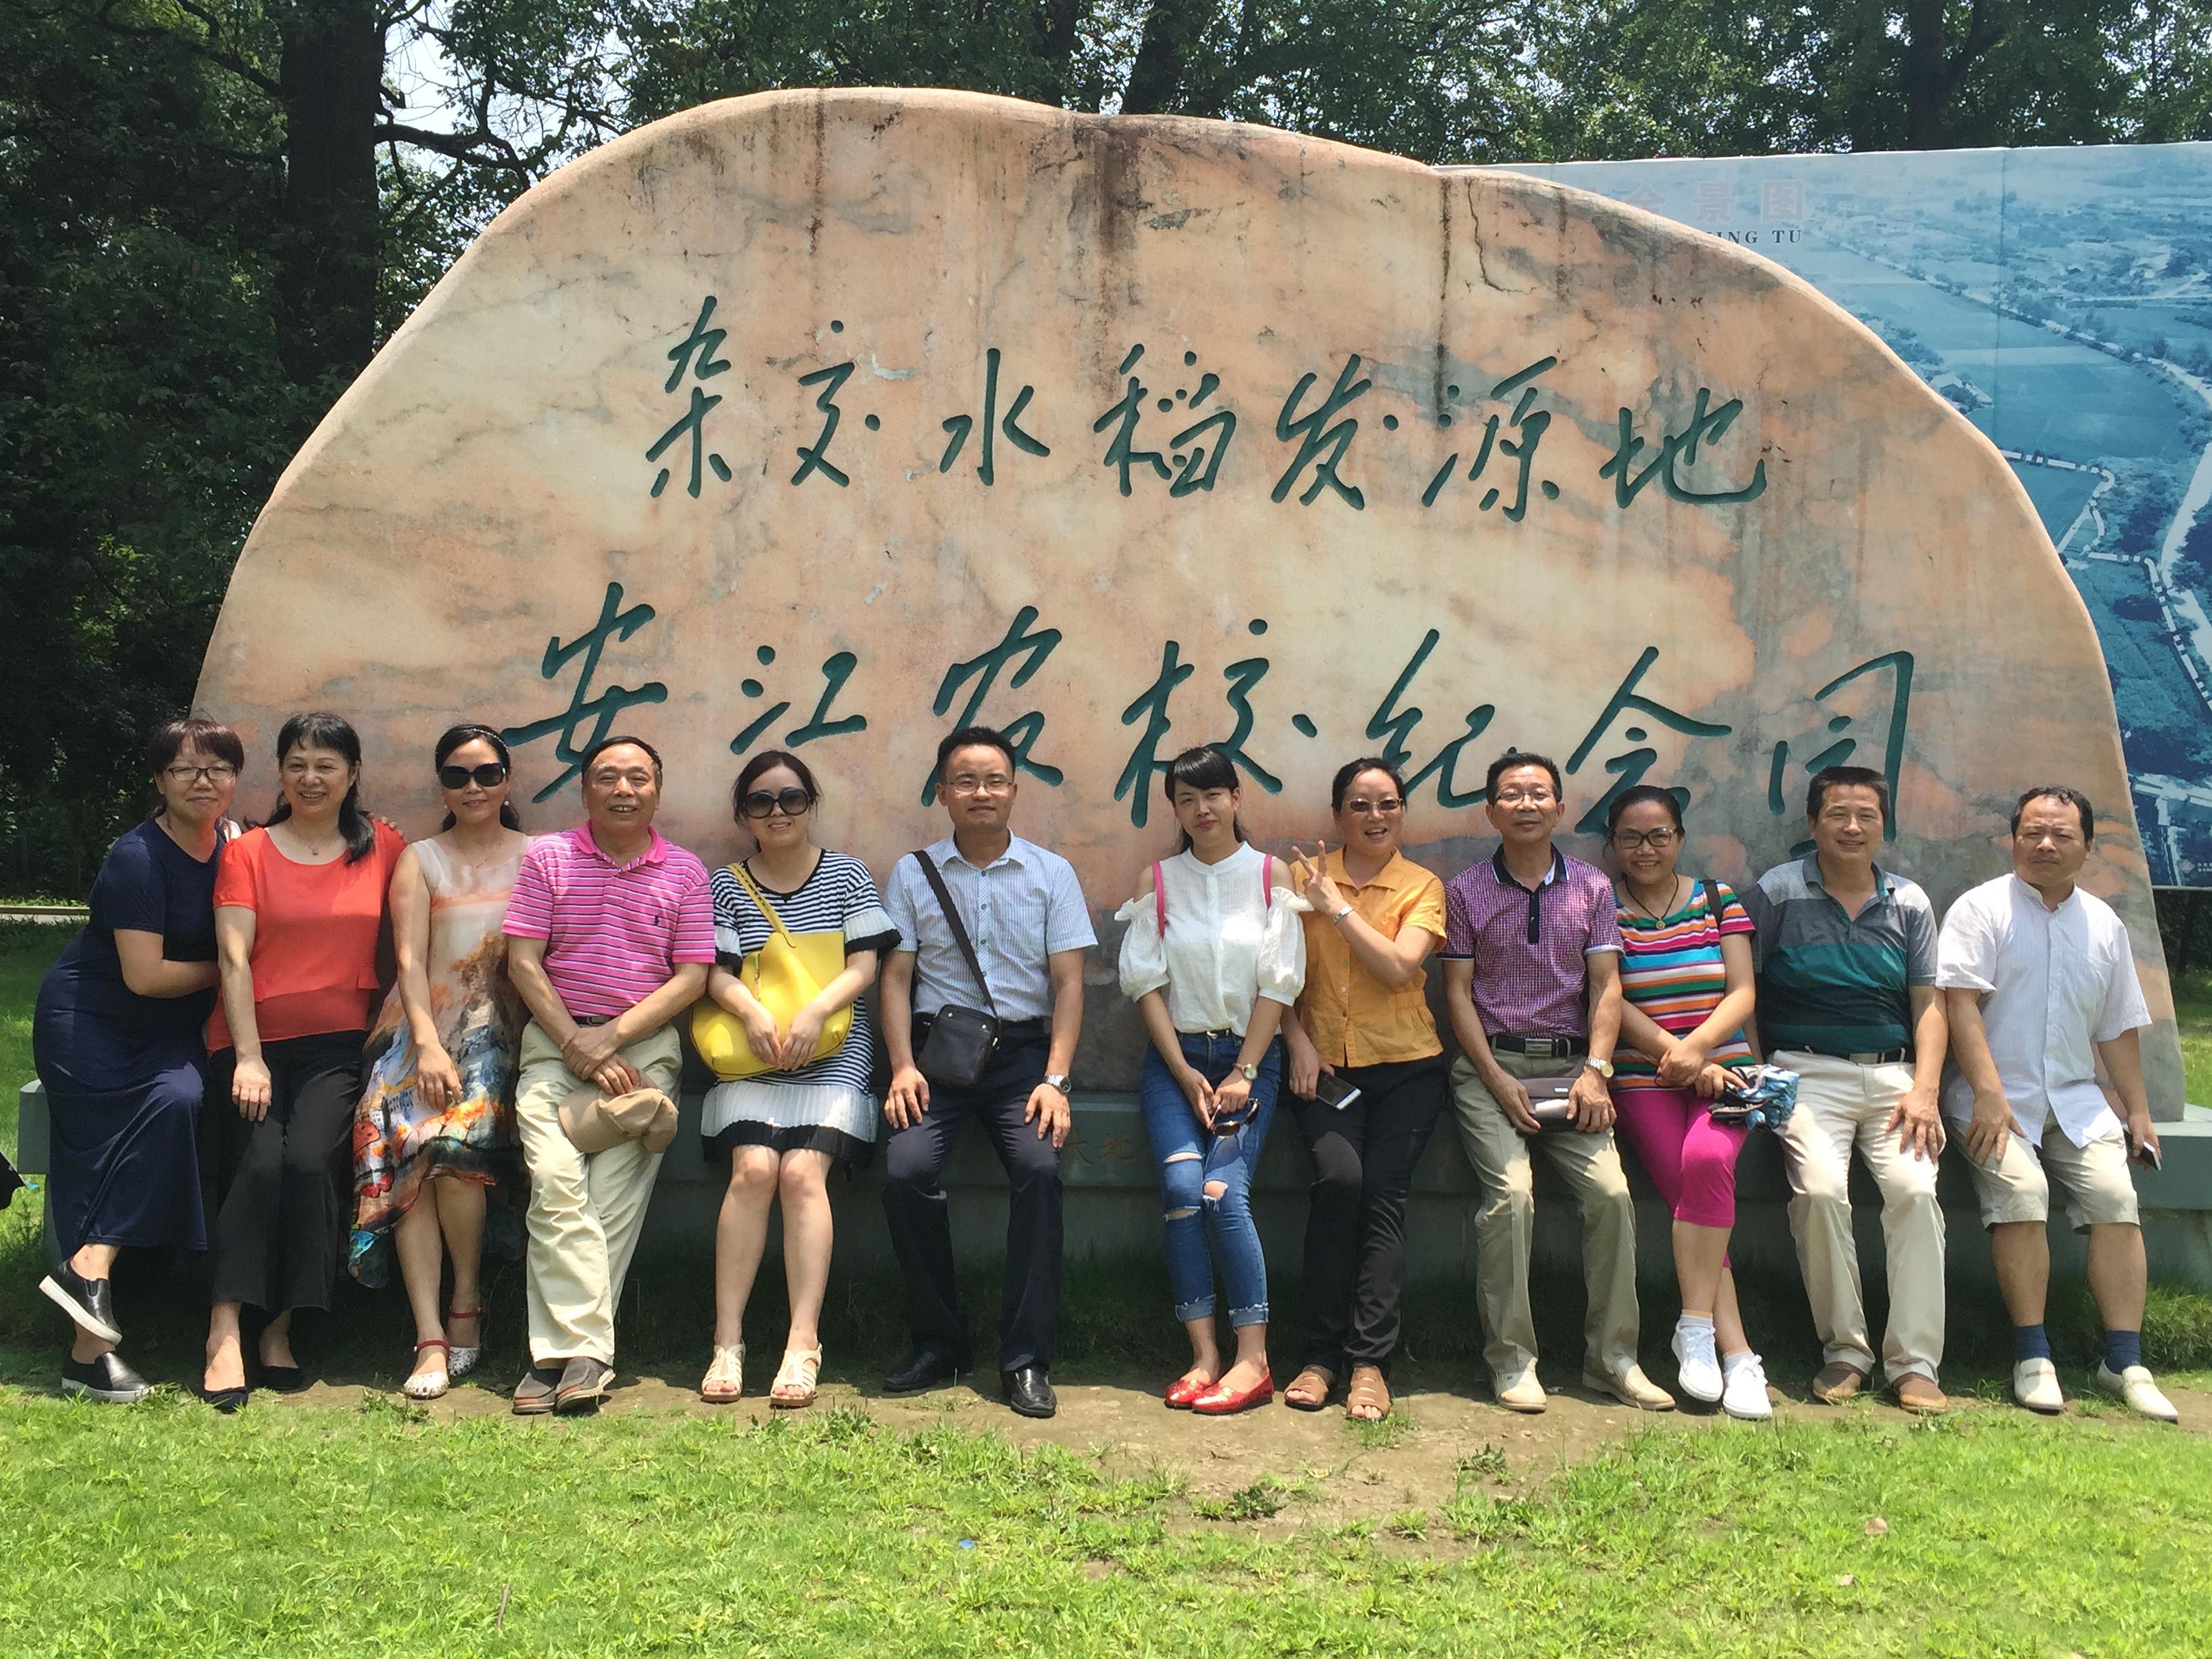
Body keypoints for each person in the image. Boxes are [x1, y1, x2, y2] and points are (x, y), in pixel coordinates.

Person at [1440, 753, 1670, 1416]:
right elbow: (1456, 994)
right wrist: (1494, 1078)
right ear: (1491, 811)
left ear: (1561, 809)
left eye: (1539, 793)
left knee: (1612, 1196)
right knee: (1511, 1198)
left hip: (1575, 1072)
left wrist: (1597, 1072)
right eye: (1512, 794)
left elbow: (1606, 986)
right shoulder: (1465, 891)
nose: (1527, 804)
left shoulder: (1593, 887)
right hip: (1491, 1068)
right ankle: (1511, 1360)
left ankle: (1613, 1359)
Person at [1938, 786, 2176, 1422]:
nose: (2045, 844)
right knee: (2023, 1193)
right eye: (2033, 833)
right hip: (1992, 1099)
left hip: (2075, 1102)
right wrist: (1988, 1093)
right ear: (2013, 839)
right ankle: (2033, 1355)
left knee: (2116, 1199)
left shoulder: (2103, 924)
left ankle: (2123, 1361)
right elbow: (1959, 1005)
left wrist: (2138, 1111)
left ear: (2087, 846)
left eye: (2062, 835)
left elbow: (2117, 1028)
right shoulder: (1980, 909)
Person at [879, 725, 1094, 1420]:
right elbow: (895, 979)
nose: (981, 792)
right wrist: (902, 1067)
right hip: (936, 1059)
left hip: (1023, 1059)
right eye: (966, 781)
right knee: (906, 1170)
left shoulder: (1051, 873)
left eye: (994, 780)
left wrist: (1055, 1081)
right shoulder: (914, 872)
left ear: (1014, 791)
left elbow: (1069, 985)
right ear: (942, 792)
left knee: (1038, 1170)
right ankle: (939, 1341)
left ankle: (1026, 1358)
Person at [33, 718, 244, 1404]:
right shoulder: (138, 857)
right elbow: (145, 976)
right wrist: (236, 970)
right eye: (185, 769)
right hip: (91, 1025)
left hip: (166, 1035)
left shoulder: (233, 843)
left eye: (218, 768)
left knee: (179, 1100)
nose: (203, 781)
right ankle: (89, 1339)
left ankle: (87, 1295)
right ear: (159, 781)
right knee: (105, 1152)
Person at [201, 712, 407, 1410]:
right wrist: (248, 1059)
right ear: (281, 773)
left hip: (337, 1046)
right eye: (296, 763)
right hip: (250, 1042)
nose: (310, 778)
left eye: (326, 765)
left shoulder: (383, 847)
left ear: (353, 773)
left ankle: (281, 1326)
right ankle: (224, 1327)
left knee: (312, 1163)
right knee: (257, 1164)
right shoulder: (248, 852)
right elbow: (233, 958)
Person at [502, 735, 713, 1416]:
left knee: (611, 1200)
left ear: (658, 790)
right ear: (585, 788)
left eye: (638, 778)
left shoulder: (686, 872)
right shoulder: (548, 858)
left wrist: (612, 1038)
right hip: (554, 1048)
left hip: (643, 1054)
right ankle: (581, 1353)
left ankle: (558, 1359)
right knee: (555, 1186)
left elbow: (692, 977)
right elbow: (523, 961)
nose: (624, 789)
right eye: (608, 777)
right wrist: (576, 1042)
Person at [1746, 764, 1950, 1413]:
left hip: (1895, 1077)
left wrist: (1925, 1090)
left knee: (1915, 1192)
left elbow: (1929, 1004)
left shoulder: (1909, 901)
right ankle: (1846, 1350)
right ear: (1813, 824)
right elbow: (1744, 990)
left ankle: (1914, 1363)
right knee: (1820, 1191)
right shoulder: (1778, 893)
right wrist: (1760, 1072)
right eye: (1838, 814)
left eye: (1867, 816)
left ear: (1884, 827)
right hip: (1806, 1073)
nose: (1852, 827)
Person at [697, 750, 897, 1409]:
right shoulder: (727, 884)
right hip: (752, 1051)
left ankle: (802, 1342)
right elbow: (716, 972)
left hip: (833, 1051)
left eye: (791, 798)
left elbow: (864, 966)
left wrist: (814, 1012)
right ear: (743, 814)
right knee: (754, 1170)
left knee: (803, 1173)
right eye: (761, 801)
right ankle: (727, 1341)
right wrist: (753, 1013)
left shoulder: (846, 874)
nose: (777, 812)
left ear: (811, 804)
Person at [1115, 745, 1307, 1415]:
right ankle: (1203, 1357)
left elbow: (1279, 982)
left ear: (1236, 798)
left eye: (1214, 795)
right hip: (1176, 1061)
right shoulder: (1158, 881)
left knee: (1223, 1192)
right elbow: (1145, 984)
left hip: (1250, 1060)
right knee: (1180, 1189)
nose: (1202, 809)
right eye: (1187, 799)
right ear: (1175, 808)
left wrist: (1244, 1071)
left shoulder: (1269, 875)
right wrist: (1182, 1070)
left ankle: (1254, 1360)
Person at [349, 724, 532, 1400]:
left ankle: (466, 1299)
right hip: (419, 1030)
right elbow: (408, 961)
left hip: (501, 1034)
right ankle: (429, 1334)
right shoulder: (420, 860)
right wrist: (425, 1044)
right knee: (410, 1143)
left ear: (507, 780)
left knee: (451, 1152)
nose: (473, 788)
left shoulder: (539, 856)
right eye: (457, 776)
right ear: (442, 786)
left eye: (487, 774)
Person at [1278, 758, 1448, 1423]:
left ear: (1402, 812)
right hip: (1322, 1068)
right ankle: (1320, 1357)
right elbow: (1272, 973)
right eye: (1359, 805)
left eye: (1388, 804)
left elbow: (1399, 967)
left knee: (1382, 1198)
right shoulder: (1299, 878)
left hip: (1408, 1066)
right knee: (1339, 1184)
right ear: (1337, 814)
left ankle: (1370, 1363)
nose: (1375, 817)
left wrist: (1339, 909)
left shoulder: (1422, 885)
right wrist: (1295, 1039)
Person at [1603, 785, 1770, 1419]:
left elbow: (1743, 992)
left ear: (1679, 838)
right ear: (1613, 844)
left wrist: (1698, 1052)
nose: (1645, 849)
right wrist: (1674, 1056)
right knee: (1689, 1192)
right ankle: (1738, 1354)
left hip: (1726, 1073)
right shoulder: (1602, 907)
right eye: (1631, 837)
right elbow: (1608, 998)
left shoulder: (1717, 899)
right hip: (1643, 1077)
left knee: (1707, 1162)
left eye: (1659, 836)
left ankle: (1697, 1329)